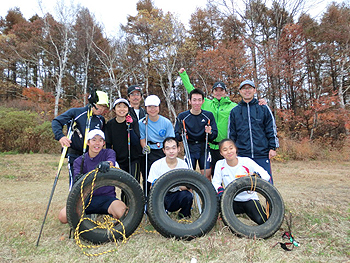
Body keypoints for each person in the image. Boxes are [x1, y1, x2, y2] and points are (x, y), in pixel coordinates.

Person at [58, 129, 127, 224]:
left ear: (103, 143)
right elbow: (76, 180)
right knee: (63, 217)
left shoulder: (109, 153)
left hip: (107, 198)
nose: (97, 143)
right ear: (88, 142)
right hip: (86, 199)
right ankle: (86, 217)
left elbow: (111, 161)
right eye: (94, 140)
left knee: (123, 212)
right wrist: (79, 179)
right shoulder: (79, 161)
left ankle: (107, 215)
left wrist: (106, 164)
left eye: (100, 140)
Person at [178, 68, 237, 176]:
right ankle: (215, 193)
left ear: (225, 92)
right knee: (213, 176)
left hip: (227, 146)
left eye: (221, 90)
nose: (218, 93)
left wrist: (261, 103)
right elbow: (192, 91)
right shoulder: (206, 103)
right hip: (212, 146)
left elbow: (244, 110)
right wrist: (183, 75)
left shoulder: (233, 106)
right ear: (213, 92)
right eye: (216, 90)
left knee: (230, 174)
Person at [52, 90, 109, 190]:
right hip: (75, 155)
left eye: (104, 106)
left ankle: (91, 205)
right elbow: (56, 121)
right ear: (93, 103)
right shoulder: (76, 112)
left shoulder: (101, 120)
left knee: (91, 186)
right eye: (100, 105)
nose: (102, 109)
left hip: (92, 157)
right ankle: (74, 205)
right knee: (76, 185)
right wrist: (61, 136)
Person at [229, 80, 278, 184]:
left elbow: (271, 129)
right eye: (244, 88)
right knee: (242, 185)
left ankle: (270, 201)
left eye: (249, 88)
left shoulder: (263, 108)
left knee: (267, 185)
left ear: (254, 90)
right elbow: (231, 134)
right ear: (240, 91)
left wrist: (272, 147)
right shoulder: (234, 111)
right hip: (242, 154)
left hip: (262, 153)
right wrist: (233, 151)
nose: (247, 91)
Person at [212, 139, 270, 225]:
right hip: (230, 200)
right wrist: (220, 191)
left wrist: (255, 179)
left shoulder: (246, 161)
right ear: (221, 153)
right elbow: (215, 182)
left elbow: (266, 176)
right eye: (225, 150)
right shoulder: (220, 164)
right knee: (219, 215)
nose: (229, 152)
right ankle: (221, 216)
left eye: (231, 148)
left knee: (263, 221)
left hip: (248, 199)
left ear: (235, 149)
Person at [174, 88, 218, 181]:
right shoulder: (182, 116)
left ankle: (207, 195)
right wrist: (182, 134)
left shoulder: (208, 115)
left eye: (199, 100)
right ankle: (190, 195)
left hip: (204, 147)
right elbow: (177, 136)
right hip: (189, 148)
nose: (197, 103)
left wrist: (210, 132)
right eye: (194, 100)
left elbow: (214, 135)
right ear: (190, 101)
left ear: (203, 101)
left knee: (207, 176)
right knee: (189, 176)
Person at [148, 137, 193, 219]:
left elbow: (186, 187)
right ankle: (162, 214)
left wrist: (174, 185)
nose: (171, 151)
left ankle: (183, 215)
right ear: (163, 150)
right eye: (168, 149)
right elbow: (152, 187)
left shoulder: (183, 165)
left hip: (176, 193)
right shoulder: (156, 165)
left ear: (178, 149)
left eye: (173, 148)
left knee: (188, 196)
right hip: (162, 195)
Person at [138, 95, 175, 194]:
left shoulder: (166, 122)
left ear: (159, 107)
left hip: (163, 151)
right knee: (148, 176)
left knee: (164, 175)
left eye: (155, 106)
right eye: (149, 107)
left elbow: (170, 140)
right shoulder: (142, 123)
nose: (152, 109)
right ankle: (148, 199)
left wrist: (167, 152)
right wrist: (145, 147)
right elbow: (142, 139)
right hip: (149, 151)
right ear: (146, 108)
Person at [105, 98, 140, 180]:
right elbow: (108, 144)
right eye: (119, 106)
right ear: (114, 109)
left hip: (133, 159)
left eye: (124, 107)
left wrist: (130, 126)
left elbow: (135, 141)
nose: (122, 109)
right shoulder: (110, 124)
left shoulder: (133, 122)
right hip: (119, 159)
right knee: (123, 185)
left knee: (133, 184)